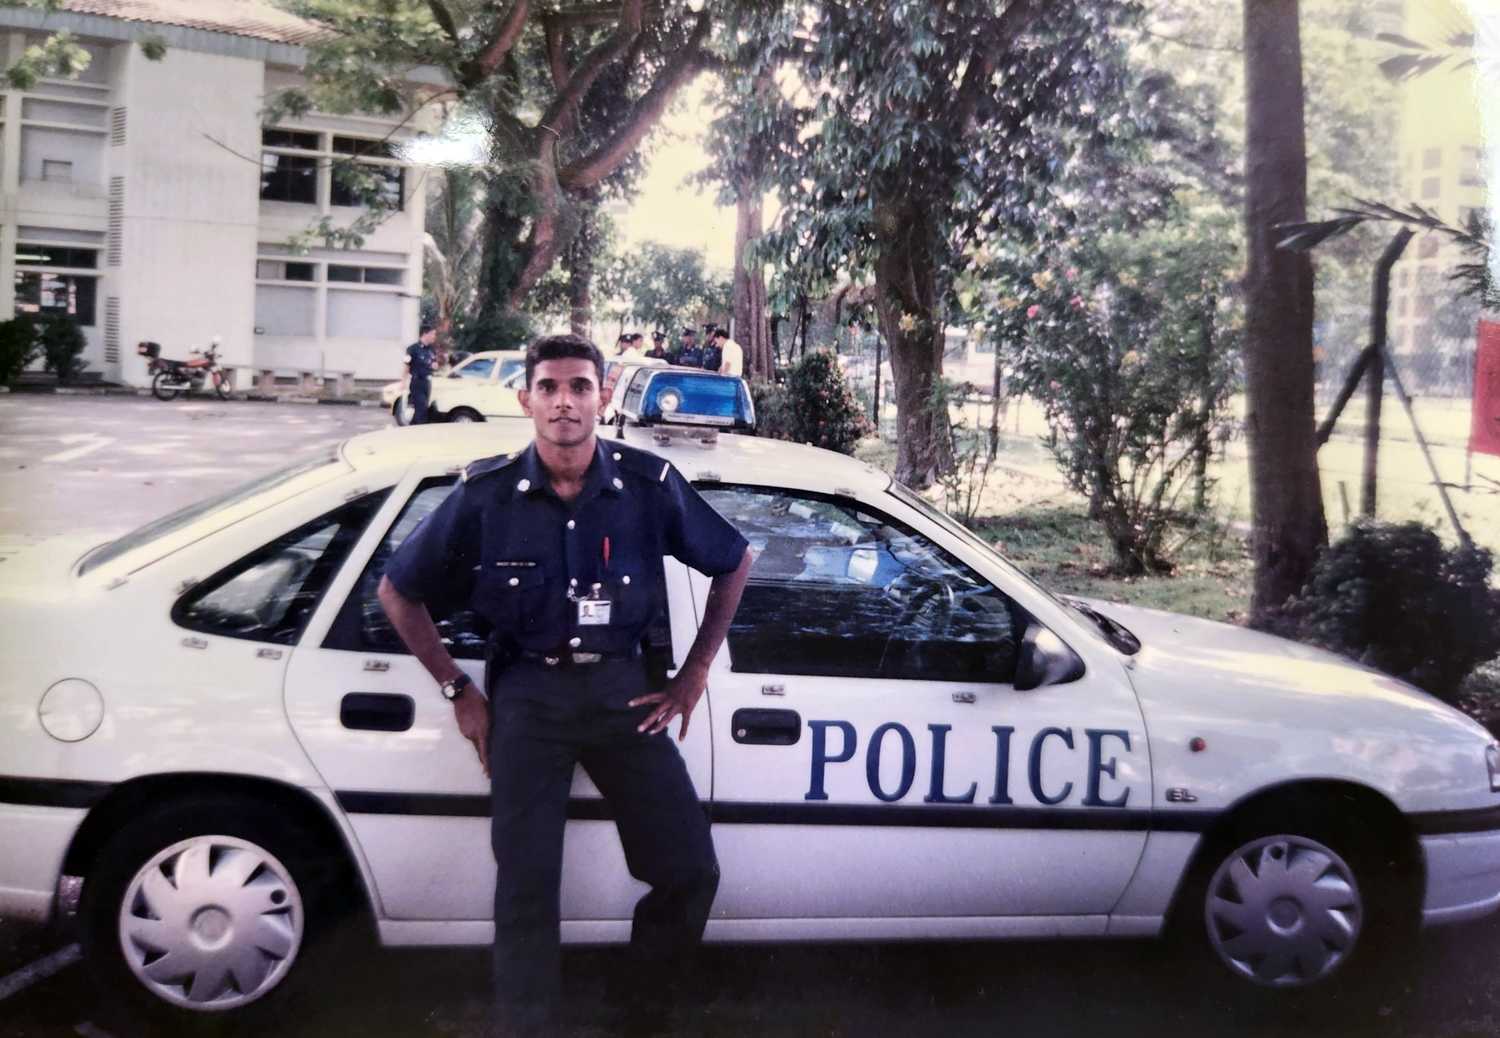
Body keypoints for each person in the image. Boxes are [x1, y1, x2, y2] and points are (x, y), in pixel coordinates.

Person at [377, 334, 752, 1037]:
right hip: (527, 699)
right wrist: (459, 690)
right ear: (526, 400)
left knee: (689, 869)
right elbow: (398, 591)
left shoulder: (649, 485)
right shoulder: (485, 496)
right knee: (525, 892)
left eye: (580, 386)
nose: (564, 402)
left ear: (603, 397)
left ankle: (640, 1016)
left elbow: (735, 560)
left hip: (623, 695)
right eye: (548, 387)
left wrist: (695, 670)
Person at [403, 324, 439, 425]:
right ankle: (419, 433)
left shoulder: (431, 349)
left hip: (427, 383)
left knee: (422, 409)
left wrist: (435, 366)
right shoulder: (412, 349)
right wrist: (403, 382)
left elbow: (434, 364)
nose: (434, 336)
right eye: (433, 334)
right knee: (421, 409)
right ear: (425, 334)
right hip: (417, 383)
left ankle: (411, 429)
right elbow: (406, 366)